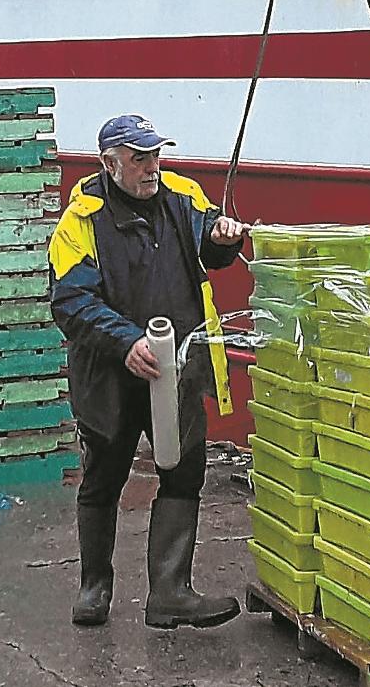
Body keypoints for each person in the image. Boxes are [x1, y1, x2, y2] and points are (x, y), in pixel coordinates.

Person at [48, 114, 247, 629]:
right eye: (139, 159)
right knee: (103, 478)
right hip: (110, 376)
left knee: (182, 474)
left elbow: (211, 247)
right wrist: (126, 342)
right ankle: (94, 588)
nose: (151, 167)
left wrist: (224, 238)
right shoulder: (81, 220)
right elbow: (71, 301)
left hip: (175, 369)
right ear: (109, 163)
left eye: (155, 155)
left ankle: (171, 593)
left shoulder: (182, 196)